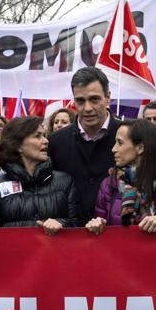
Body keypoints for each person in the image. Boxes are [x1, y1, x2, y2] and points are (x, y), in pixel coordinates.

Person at [86, 120, 156, 234]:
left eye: (120, 143)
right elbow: (100, 231)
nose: (113, 149)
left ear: (140, 148)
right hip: (118, 250)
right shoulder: (108, 184)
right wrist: (97, 225)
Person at [48, 66, 121, 221]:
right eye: (80, 101)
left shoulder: (129, 136)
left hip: (116, 235)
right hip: (69, 235)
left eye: (94, 99)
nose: (87, 108)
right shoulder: (56, 141)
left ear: (108, 97)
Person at [0, 116, 81, 234]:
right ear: (18, 145)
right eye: (37, 136)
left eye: (44, 135)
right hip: (15, 251)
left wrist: (62, 224)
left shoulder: (65, 181)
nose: (46, 141)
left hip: (54, 251)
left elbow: (78, 225)